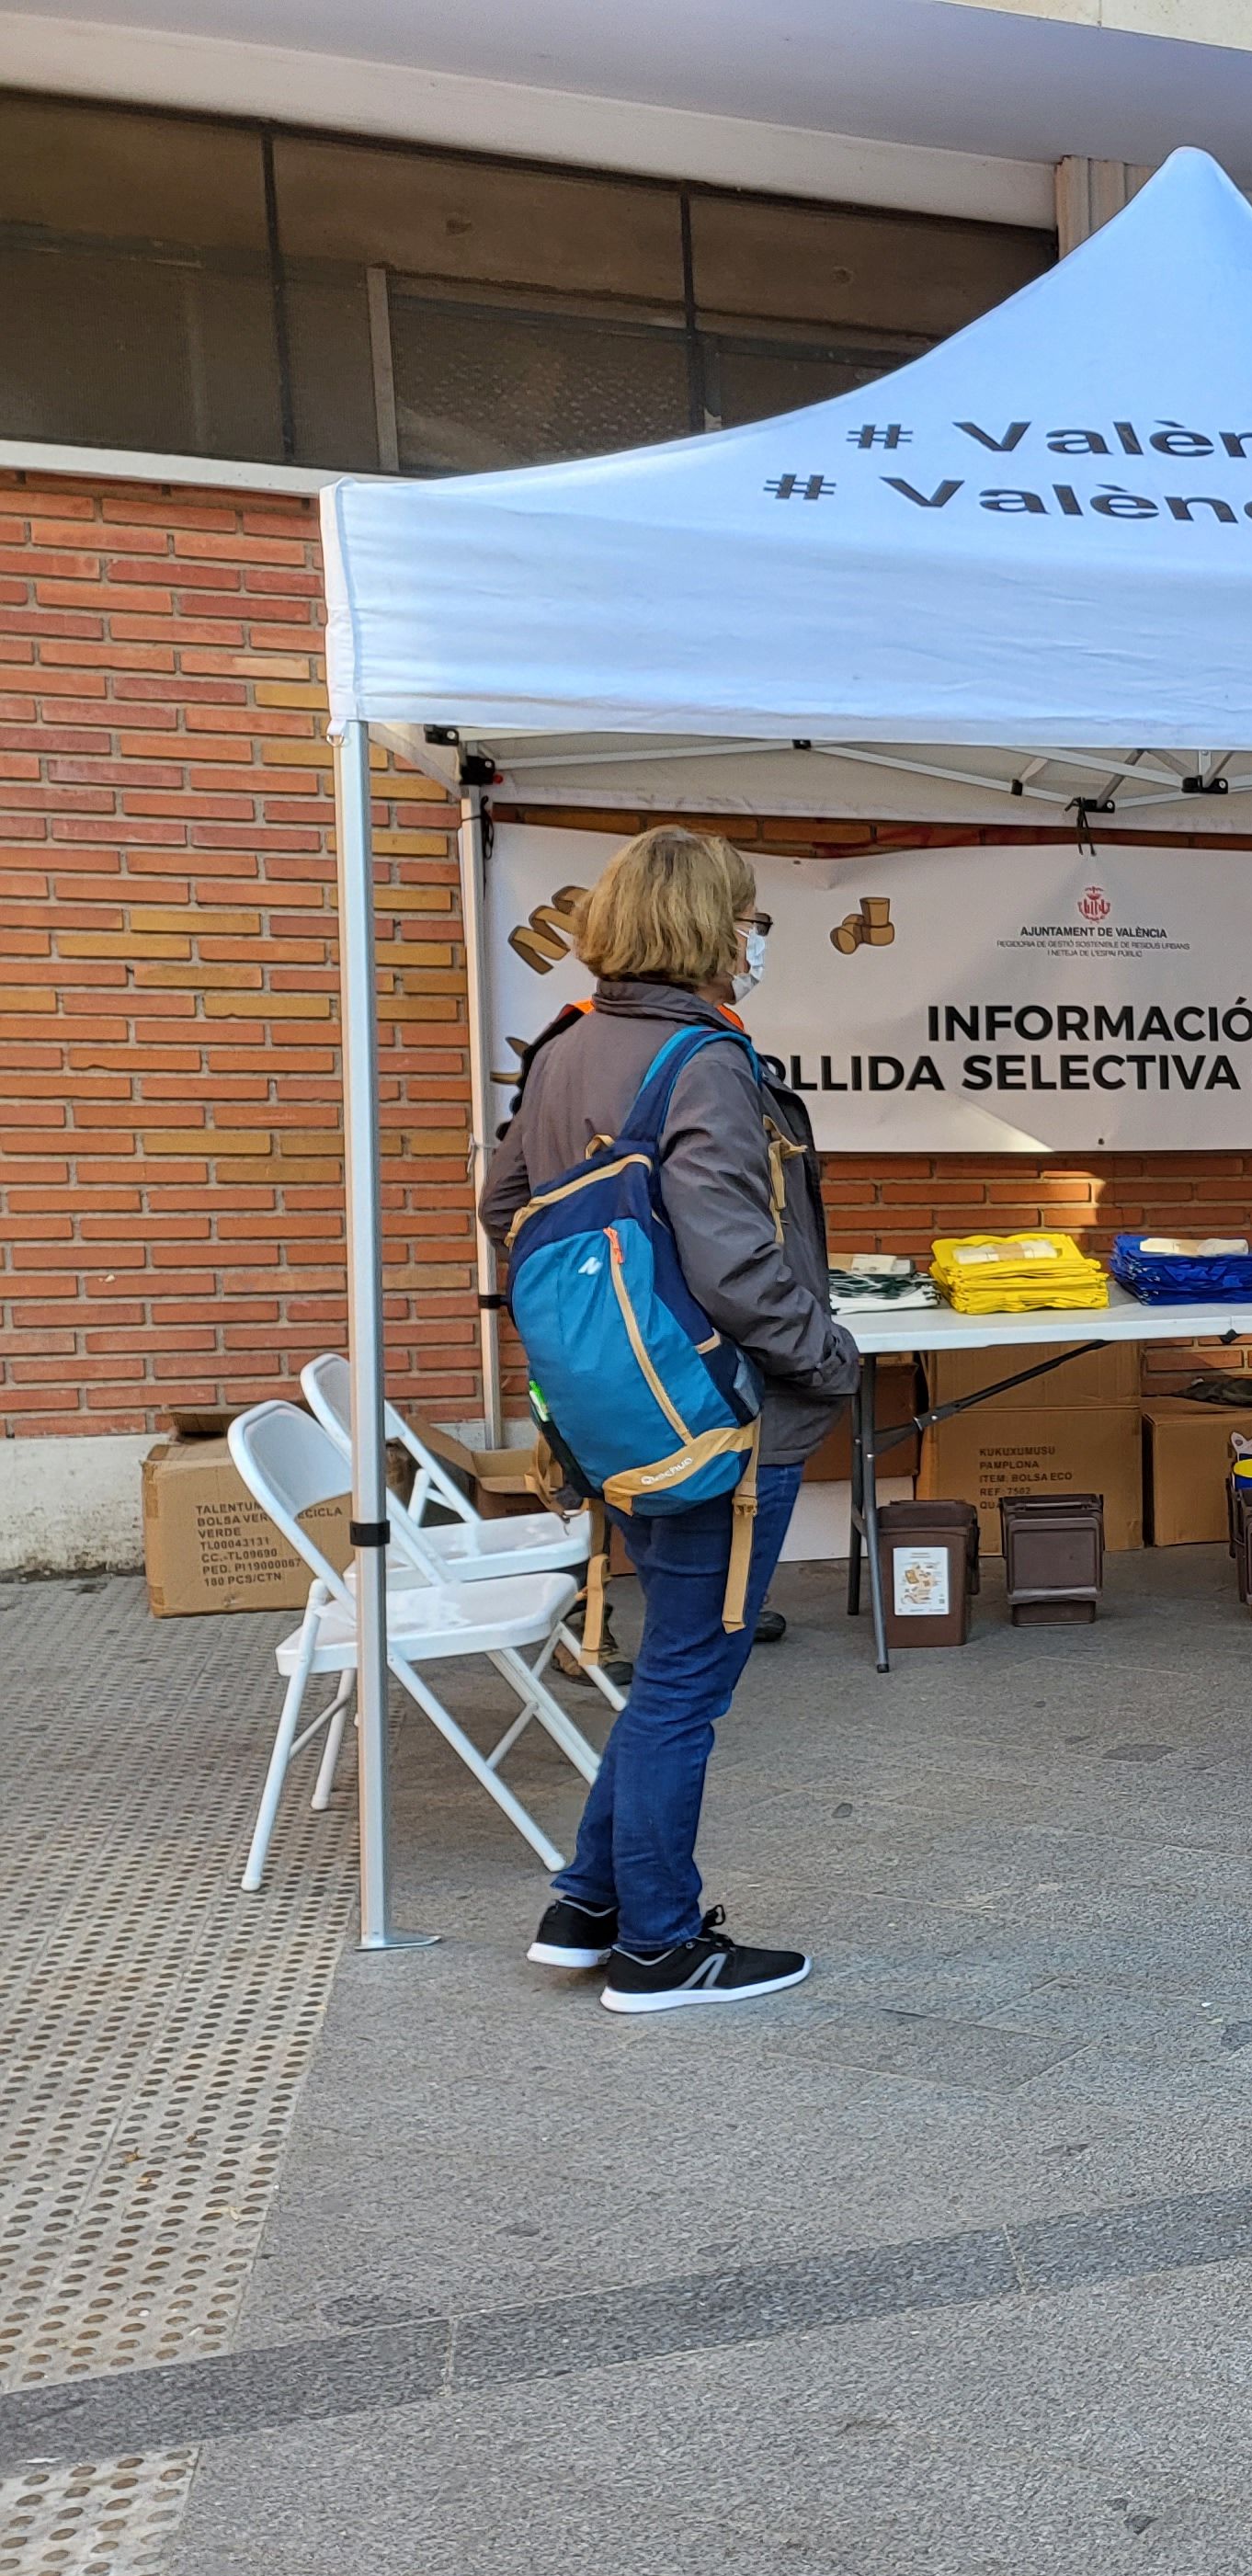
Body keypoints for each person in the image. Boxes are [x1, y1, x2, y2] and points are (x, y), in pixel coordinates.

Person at [482, 828, 851, 2012]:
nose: (756, 941)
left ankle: (588, 1904)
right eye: (749, 919)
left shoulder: (563, 1045)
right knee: (690, 1679)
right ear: (707, 929)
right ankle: (660, 1946)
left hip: (613, 1411)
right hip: (724, 1415)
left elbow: (503, 1206)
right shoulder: (703, 1063)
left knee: (669, 1674)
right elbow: (739, 1265)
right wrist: (828, 1359)